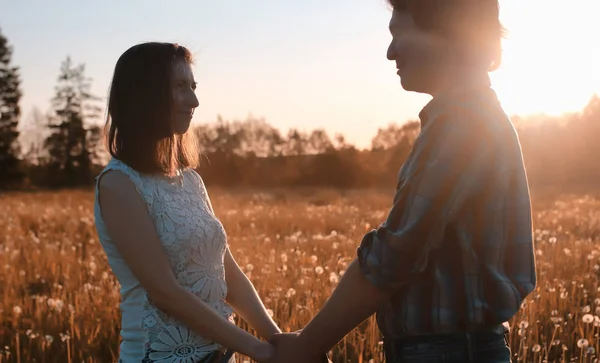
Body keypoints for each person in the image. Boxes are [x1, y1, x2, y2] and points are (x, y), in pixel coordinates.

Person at [268, 0, 537, 362]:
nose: (390, 52)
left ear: (448, 32)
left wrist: (308, 344)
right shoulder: (473, 117)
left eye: (399, 34)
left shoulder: (460, 123)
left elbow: (394, 256)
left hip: (449, 353)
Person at [93, 42, 278, 363]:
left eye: (193, 87)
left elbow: (228, 274)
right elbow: (165, 293)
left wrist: (278, 338)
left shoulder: (190, 180)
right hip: (158, 355)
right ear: (144, 94)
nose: (194, 100)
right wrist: (262, 351)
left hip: (219, 354)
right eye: (180, 87)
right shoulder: (119, 184)